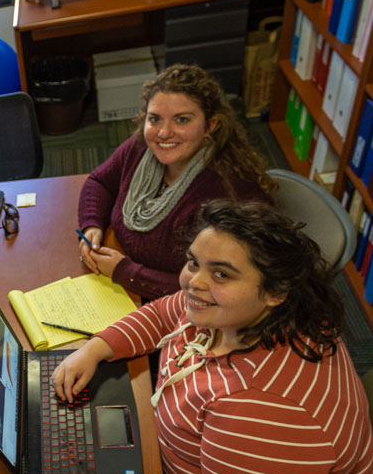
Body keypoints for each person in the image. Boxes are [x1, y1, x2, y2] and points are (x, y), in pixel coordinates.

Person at [53, 200, 373, 474]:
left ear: (276, 291)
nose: (194, 282)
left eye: (222, 274)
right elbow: (164, 313)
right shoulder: (243, 312)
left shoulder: (259, 413)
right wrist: (95, 348)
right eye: (194, 262)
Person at [77, 64, 277, 301]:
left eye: (181, 120)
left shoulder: (229, 193)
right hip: (124, 288)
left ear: (210, 125)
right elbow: (99, 182)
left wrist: (126, 272)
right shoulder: (140, 147)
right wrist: (91, 227)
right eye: (155, 119)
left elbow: (217, 287)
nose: (163, 133)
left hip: (192, 313)